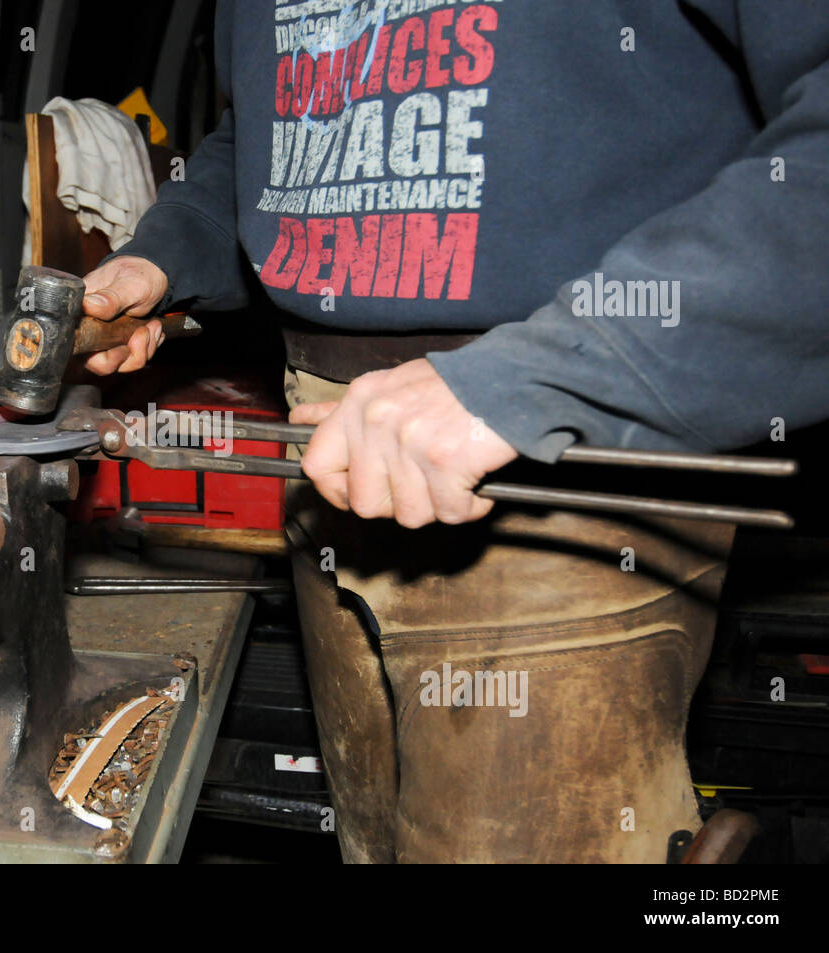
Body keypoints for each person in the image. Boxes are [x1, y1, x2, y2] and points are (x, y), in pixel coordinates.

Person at [77, 0, 829, 862]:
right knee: (375, 839)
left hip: (564, 451)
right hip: (331, 447)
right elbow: (269, 130)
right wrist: (169, 250)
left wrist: (531, 378)